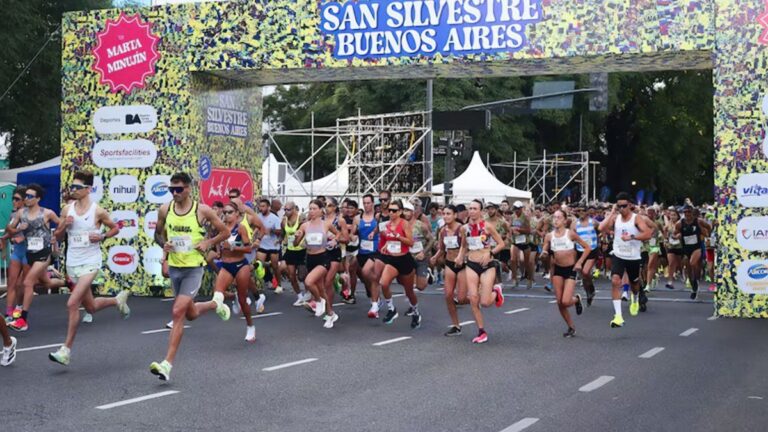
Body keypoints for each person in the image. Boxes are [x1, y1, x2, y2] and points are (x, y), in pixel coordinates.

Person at [149, 172, 230, 381]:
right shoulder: (165, 209)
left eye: (179, 189)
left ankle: (166, 364)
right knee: (191, 313)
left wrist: (208, 243)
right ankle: (215, 304)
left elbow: (225, 233)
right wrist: (164, 251)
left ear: (188, 189)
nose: (174, 193)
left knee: (177, 312)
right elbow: (157, 234)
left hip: (194, 268)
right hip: (175, 267)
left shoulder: (202, 211)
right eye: (171, 189)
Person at [48, 171, 128, 365]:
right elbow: (57, 236)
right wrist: (63, 226)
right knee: (90, 307)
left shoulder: (97, 210)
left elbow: (115, 228)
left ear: (88, 189)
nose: (73, 190)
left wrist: (102, 237)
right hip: (72, 263)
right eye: (72, 187)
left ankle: (65, 350)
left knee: (72, 303)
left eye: (77, 187)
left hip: (91, 262)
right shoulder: (67, 209)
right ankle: (117, 301)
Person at [6, 184, 66, 331]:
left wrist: (56, 236)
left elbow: (61, 224)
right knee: (47, 283)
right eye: (26, 195)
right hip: (29, 253)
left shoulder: (47, 213)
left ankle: (23, 320)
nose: (27, 198)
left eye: (30, 196)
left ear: (38, 198)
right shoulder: (21, 213)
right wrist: (18, 229)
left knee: (27, 282)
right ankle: (67, 282)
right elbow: (10, 229)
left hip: (43, 254)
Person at [598, 193, 653, 328]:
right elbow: (601, 228)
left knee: (635, 283)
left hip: (633, 256)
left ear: (630, 205)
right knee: (615, 280)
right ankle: (618, 316)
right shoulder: (615, 218)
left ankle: (634, 297)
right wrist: (611, 213)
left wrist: (632, 237)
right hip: (618, 254)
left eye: (623, 206)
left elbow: (648, 233)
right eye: (619, 206)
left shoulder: (636, 218)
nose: (621, 208)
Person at [460, 200, 505, 344]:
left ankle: (496, 292)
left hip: (487, 265)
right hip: (471, 264)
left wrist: (490, 253)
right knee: (473, 298)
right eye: (470, 208)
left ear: (481, 211)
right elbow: (463, 246)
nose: (472, 211)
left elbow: (501, 244)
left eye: (475, 208)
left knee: (485, 302)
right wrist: (460, 257)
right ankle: (481, 331)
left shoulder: (488, 226)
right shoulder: (464, 228)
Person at [293, 200, 342, 328]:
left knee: (309, 282)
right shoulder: (304, 226)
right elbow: (295, 244)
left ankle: (319, 302)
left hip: (323, 258)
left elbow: (338, 234)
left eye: (314, 208)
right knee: (320, 289)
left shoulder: (326, 224)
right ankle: (330, 314)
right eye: (310, 208)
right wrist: (297, 236)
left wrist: (335, 241)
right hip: (310, 258)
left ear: (321, 210)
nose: (312, 211)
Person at [541, 210, 591, 337]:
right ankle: (571, 327)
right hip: (557, 269)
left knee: (565, 301)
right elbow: (544, 250)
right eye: (554, 218)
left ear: (564, 220)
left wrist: (579, 262)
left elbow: (587, 248)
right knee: (559, 302)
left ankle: (577, 299)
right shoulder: (549, 236)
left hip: (570, 269)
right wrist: (544, 254)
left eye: (559, 218)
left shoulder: (570, 234)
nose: (556, 220)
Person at [215, 202, 258, 342]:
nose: (226, 215)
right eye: (225, 212)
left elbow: (248, 249)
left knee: (242, 298)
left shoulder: (241, 228)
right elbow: (216, 242)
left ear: (237, 214)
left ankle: (250, 326)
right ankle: (230, 300)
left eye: (230, 212)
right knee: (217, 295)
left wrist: (233, 247)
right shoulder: (221, 228)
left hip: (240, 265)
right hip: (226, 265)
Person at [378, 199, 421, 328]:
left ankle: (416, 312)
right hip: (392, 260)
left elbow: (411, 242)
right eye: (389, 210)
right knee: (383, 283)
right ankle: (392, 309)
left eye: (394, 210)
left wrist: (399, 237)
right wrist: (386, 245)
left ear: (400, 211)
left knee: (409, 292)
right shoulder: (386, 225)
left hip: (404, 260)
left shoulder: (404, 224)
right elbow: (387, 239)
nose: (391, 213)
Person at [430, 205, 468, 336]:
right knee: (448, 296)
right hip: (450, 264)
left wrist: (460, 257)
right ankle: (456, 326)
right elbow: (441, 248)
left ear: (455, 215)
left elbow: (465, 246)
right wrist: (435, 257)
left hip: (462, 265)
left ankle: (476, 299)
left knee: (462, 298)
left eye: (448, 213)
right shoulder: (442, 231)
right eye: (444, 214)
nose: (445, 216)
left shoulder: (461, 229)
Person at [1, 187, 29, 323]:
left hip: (29, 252)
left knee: (21, 284)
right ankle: (9, 313)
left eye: (17, 199)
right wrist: (5, 238)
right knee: (12, 283)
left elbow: (40, 234)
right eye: (13, 198)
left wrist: (23, 238)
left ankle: (19, 307)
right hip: (17, 251)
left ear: (24, 200)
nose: (13, 201)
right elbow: (10, 230)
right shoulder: (14, 215)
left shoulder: (32, 214)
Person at [676, 205, 711, 300]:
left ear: (692, 213)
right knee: (688, 267)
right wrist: (677, 236)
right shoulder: (680, 223)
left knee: (693, 262)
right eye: (685, 212)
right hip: (686, 248)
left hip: (697, 247)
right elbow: (676, 233)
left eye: (689, 212)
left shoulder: (698, 221)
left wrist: (706, 235)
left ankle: (696, 280)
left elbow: (709, 227)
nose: (687, 214)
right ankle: (693, 286)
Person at [357, 194, 381, 318]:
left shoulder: (377, 217)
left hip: (375, 251)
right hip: (362, 252)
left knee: (367, 273)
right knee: (365, 277)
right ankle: (374, 293)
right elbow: (353, 234)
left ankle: (374, 304)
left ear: (372, 203)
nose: (366, 205)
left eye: (368, 203)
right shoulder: (358, 218)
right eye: (364, 203)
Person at [281, 201, 309, 307]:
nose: (286, 212)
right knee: (291, 275)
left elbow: (307, 230)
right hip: (290, 249)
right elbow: (284, 233)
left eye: (288, 209)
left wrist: (305, 242)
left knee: (302, 276)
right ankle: (299, 296)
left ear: (293, 209)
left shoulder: (301, 218)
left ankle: (308, 294)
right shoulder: (284, 221)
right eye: (285, 210)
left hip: (301, 250)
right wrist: (281, 241)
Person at [405, 200, 434, 293]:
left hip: (420, 257)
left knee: (420, 286)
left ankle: (427, 272)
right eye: (404, 210)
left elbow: (431, 239)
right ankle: (413, 305)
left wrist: (424, 252)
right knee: (407, 283)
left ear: (413, 212)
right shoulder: (402, 224)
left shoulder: (421, 225)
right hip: (408, 257)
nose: (405, 213)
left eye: (407, 210)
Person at [573, 207, 599, 305]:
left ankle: (591, 288)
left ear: (587, 212)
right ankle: (588, 292)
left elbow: (600, 230)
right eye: (579, 211)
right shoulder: (575, 223)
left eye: (583, 210)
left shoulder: (593, 222)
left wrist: (600, 241)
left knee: (585, 271)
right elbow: (572, 235)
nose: (581, 212)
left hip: (592, 250)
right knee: (583, 275)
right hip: (580, 250)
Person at [256, 198, 283, 291]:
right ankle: (261, 283)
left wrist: (271, 230)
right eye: (260, 206)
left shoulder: (274, 218)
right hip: (262, 245)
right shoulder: (257, 216)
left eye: (263, 206)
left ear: (268, 207)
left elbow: (280, 232)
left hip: (273, 245)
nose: (261, 208)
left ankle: (279, 284)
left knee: (275, 267)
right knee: (259, 264)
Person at [509, 201, 533, 289]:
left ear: (521, 209)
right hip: (515, 241)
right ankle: (514, 279)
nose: (516, 211)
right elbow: (510, 227)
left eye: (517, 209)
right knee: (512, 260)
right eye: (515, 209)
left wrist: (519, 230)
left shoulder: (525, 217)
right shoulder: (512, 217)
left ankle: (529, 279)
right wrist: (511, 230)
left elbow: (529, 230)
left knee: (527, 263)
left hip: (524, 242)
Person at [341, 199, 360, 304]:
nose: (349, 210)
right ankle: (346, 293)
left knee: (353, 271)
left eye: (352, 208)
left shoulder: (359, 220)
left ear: (356, 209)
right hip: (345, 248)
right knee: (346, 271)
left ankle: (352, 293)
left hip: (357, 249)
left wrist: (355, 235)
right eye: (348, 208)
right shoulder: (342, 220)